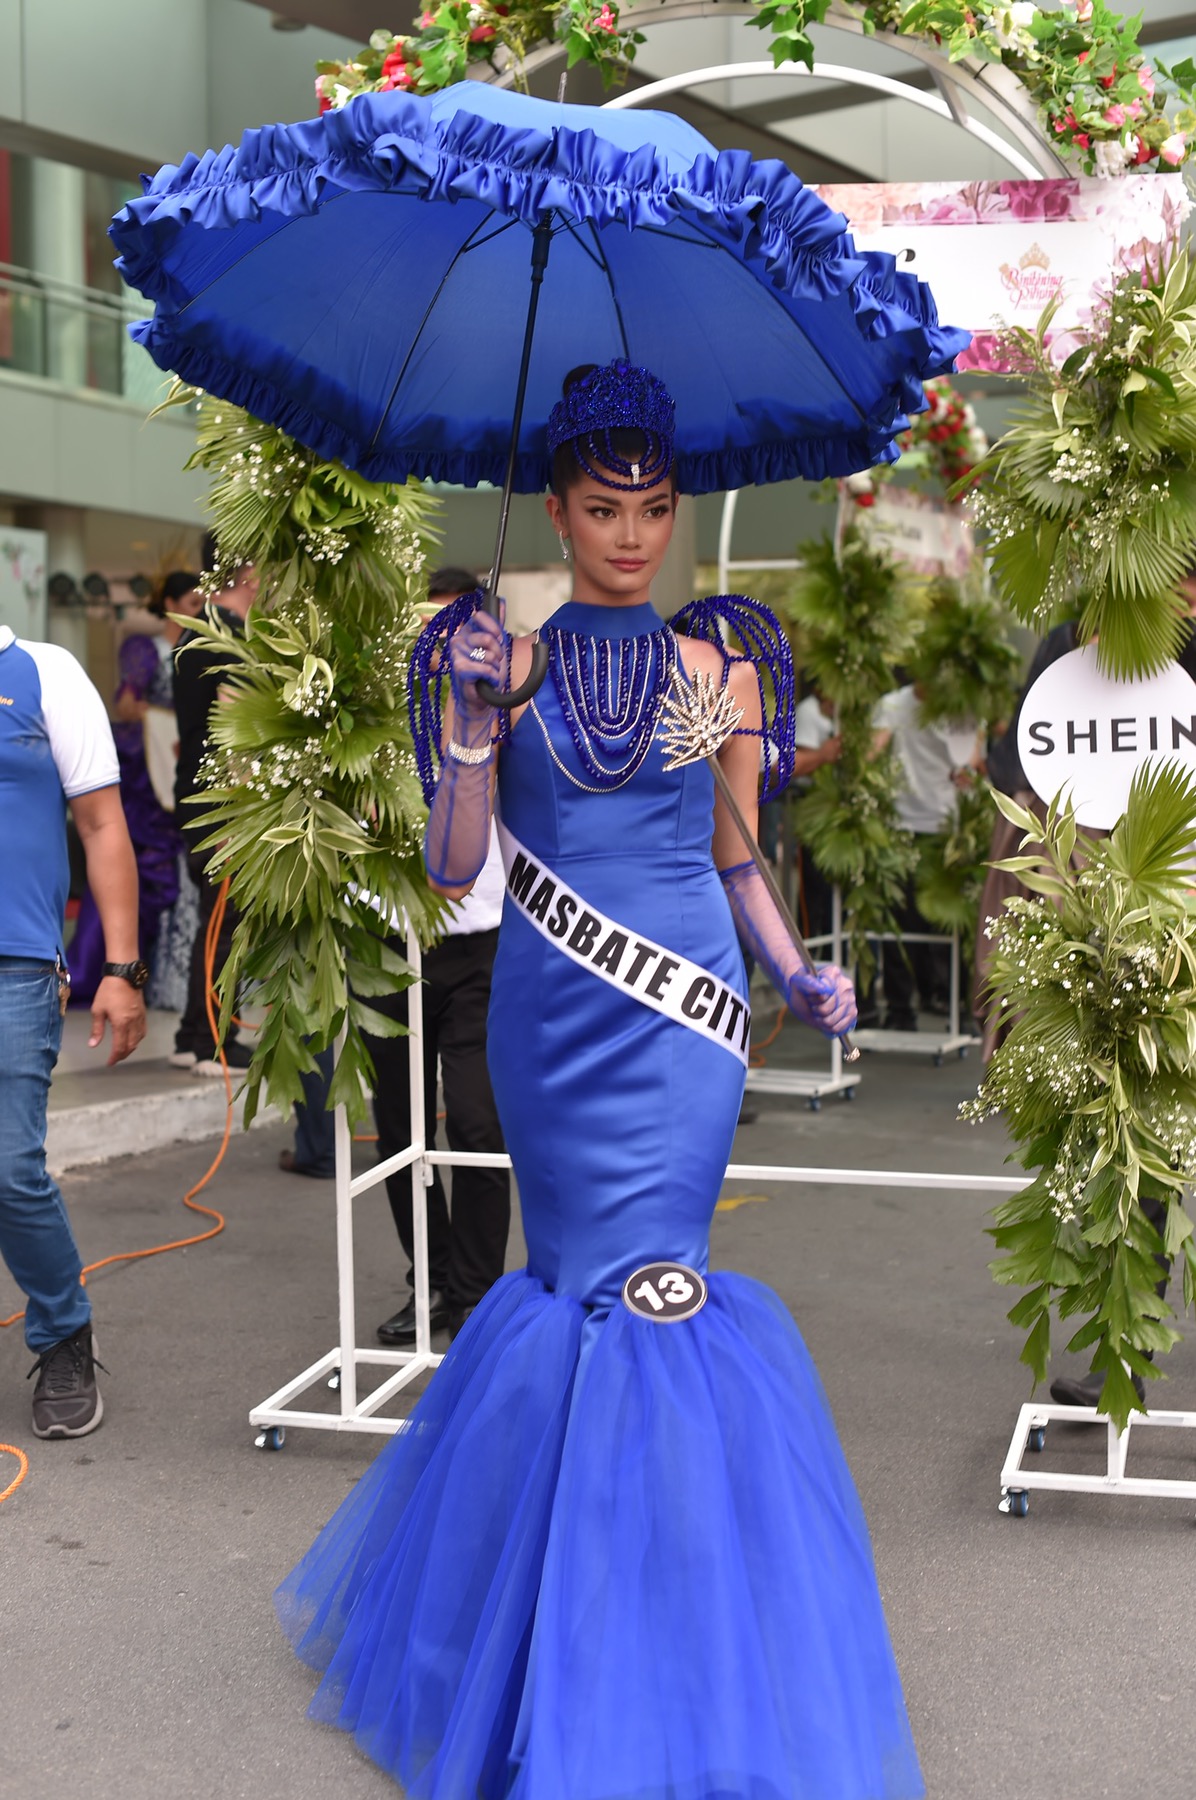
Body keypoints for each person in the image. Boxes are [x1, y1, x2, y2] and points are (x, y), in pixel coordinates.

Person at [276, 362, 923, 1800]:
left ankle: (659, 1647)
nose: (630, 535)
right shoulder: (496, 667)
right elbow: (455, 870)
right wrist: (457, 731)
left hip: (685, 1016)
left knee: (658, 1289)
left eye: (649, 508)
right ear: (556, 515)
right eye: (599, 508)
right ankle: (538, 1642)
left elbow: (736, 849)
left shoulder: (720, 669)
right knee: (567, 1291)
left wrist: (795, 969)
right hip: (550, 1016)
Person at [0, 624, 147, 1438]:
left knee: (9, 1169)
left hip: (14, 965)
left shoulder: (44, 673)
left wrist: (121, 972)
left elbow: (100, 827)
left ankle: (61, 1329)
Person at [170, 552, 257, 1075]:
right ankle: (213, 1039)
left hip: (199, 795)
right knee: (224, 922)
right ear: (249, 571)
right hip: (221, 800)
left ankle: (191, 1032)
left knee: (214, 918)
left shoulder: (196, 630)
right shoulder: (223, 636)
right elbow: (230, 727)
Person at [65, 632, 184, 1003]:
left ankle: (156, 977)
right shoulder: (144, 647)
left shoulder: (202, 644)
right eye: (192, 601)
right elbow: (127, 703)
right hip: (148, 773)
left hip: (170, 772)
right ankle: (101, 970)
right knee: (122, 867)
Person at [872, 682, 981, 1030]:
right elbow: (874, 750)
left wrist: (971, 771)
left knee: (952, 923)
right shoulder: (893, 704)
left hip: (950, 827)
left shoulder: (960, 703)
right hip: (901, 824)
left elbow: (975, 754)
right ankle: (900, 1010)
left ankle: (958, 1010)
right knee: (898, 924)